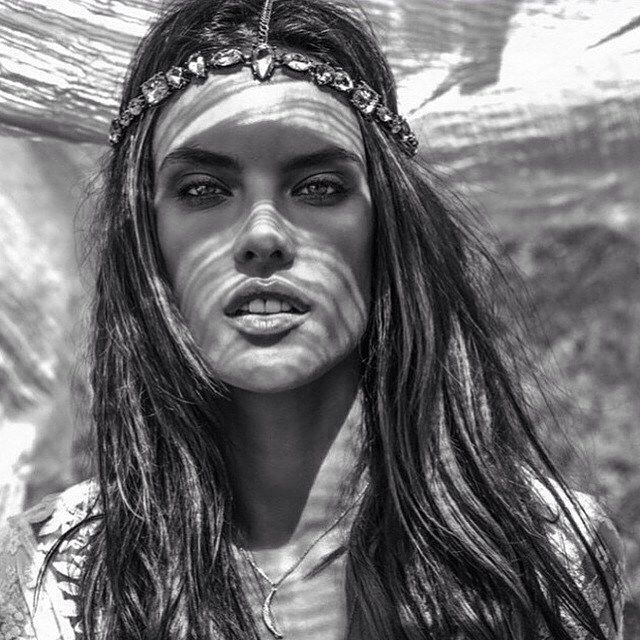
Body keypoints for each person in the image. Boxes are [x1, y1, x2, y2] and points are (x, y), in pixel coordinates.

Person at [0, 0, 626, 638]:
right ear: (146, 240)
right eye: (202, 189)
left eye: (320, 187)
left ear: (387, 225)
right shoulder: (49, 580)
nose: (263, 235)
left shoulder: (542, 556)